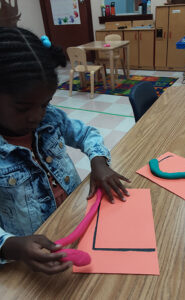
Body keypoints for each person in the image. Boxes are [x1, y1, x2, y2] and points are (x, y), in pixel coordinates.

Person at [0, 27, 130, 274]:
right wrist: (10, 245)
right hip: (28, 253)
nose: (37, 115)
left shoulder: (50, 118)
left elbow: (87, 134)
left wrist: (99, 162)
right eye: (23, 107)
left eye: (45, 103)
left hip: (72, 218)